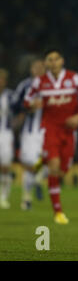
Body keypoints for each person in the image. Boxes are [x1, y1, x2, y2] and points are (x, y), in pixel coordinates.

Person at [24, 49, 78, 224]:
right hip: (50, 129)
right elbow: (26, 101)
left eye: (56, 59)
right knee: (54, 169)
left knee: (63, 171)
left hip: (69, 131)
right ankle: (58, 212)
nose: (53, 62)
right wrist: (33, 104)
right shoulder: (40, 82)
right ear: (46, 63)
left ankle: (43, 161)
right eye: (49, 59)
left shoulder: (73, 78)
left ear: (62, 61)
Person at [12, 58, 47, 210]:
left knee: (47, 161)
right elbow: (14, 105)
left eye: (41, 67)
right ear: (31, 69)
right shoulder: (25, 85)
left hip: (47, 130)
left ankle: (38, 179)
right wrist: (28, 107)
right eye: (36, 67)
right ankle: (26, 199)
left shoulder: (51, 86)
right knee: (30, 166)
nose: (38, 70)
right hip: (29, 131)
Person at [0, 69, 14, 209]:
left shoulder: (11, 96)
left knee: (5, 166)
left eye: (2, 79)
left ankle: (3, 197)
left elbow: (21, 111)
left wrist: (15, 124)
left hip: (5, 134)